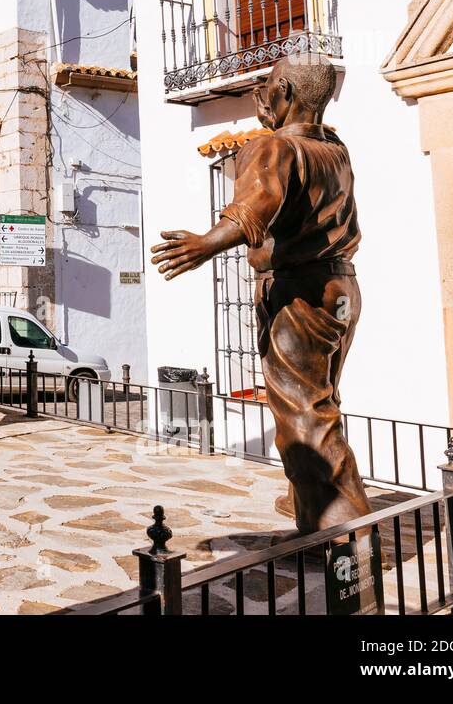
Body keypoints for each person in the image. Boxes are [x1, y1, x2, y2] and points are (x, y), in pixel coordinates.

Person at [149, 55, 372, 533]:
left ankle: (347, 534)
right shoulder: (336, 149)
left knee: (305, 413)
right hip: (342, 289)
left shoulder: (274, 148)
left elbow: (257, 203)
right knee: (320, 399)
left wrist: (205, 243)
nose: (263, 94)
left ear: (285, 92)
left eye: (269, 85)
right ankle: (305, 500)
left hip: (299, 296)